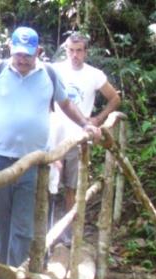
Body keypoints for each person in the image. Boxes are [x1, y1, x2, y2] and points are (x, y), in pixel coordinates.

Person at [0, 26, 100, 279]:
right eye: (18, 54)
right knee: (1, 223)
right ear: (10, 49)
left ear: (38, 53)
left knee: (22, 225)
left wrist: (85, 124)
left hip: (32, 162)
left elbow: (66, 103)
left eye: (28, 56)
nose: (22, 60)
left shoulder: (48, 74)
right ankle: (4, 273)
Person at [49, 32, 122, 236]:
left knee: (71, 187)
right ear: (66, 50)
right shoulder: (55, 70)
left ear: (85, 52)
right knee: (48, 185)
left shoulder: (94, 75)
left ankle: (70, 233)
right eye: (71, 51)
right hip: (54, 135)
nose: (74, 55)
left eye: (79, 51)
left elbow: (114, 98)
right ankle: (46, 230)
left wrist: (98, 119)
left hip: (78, 136)